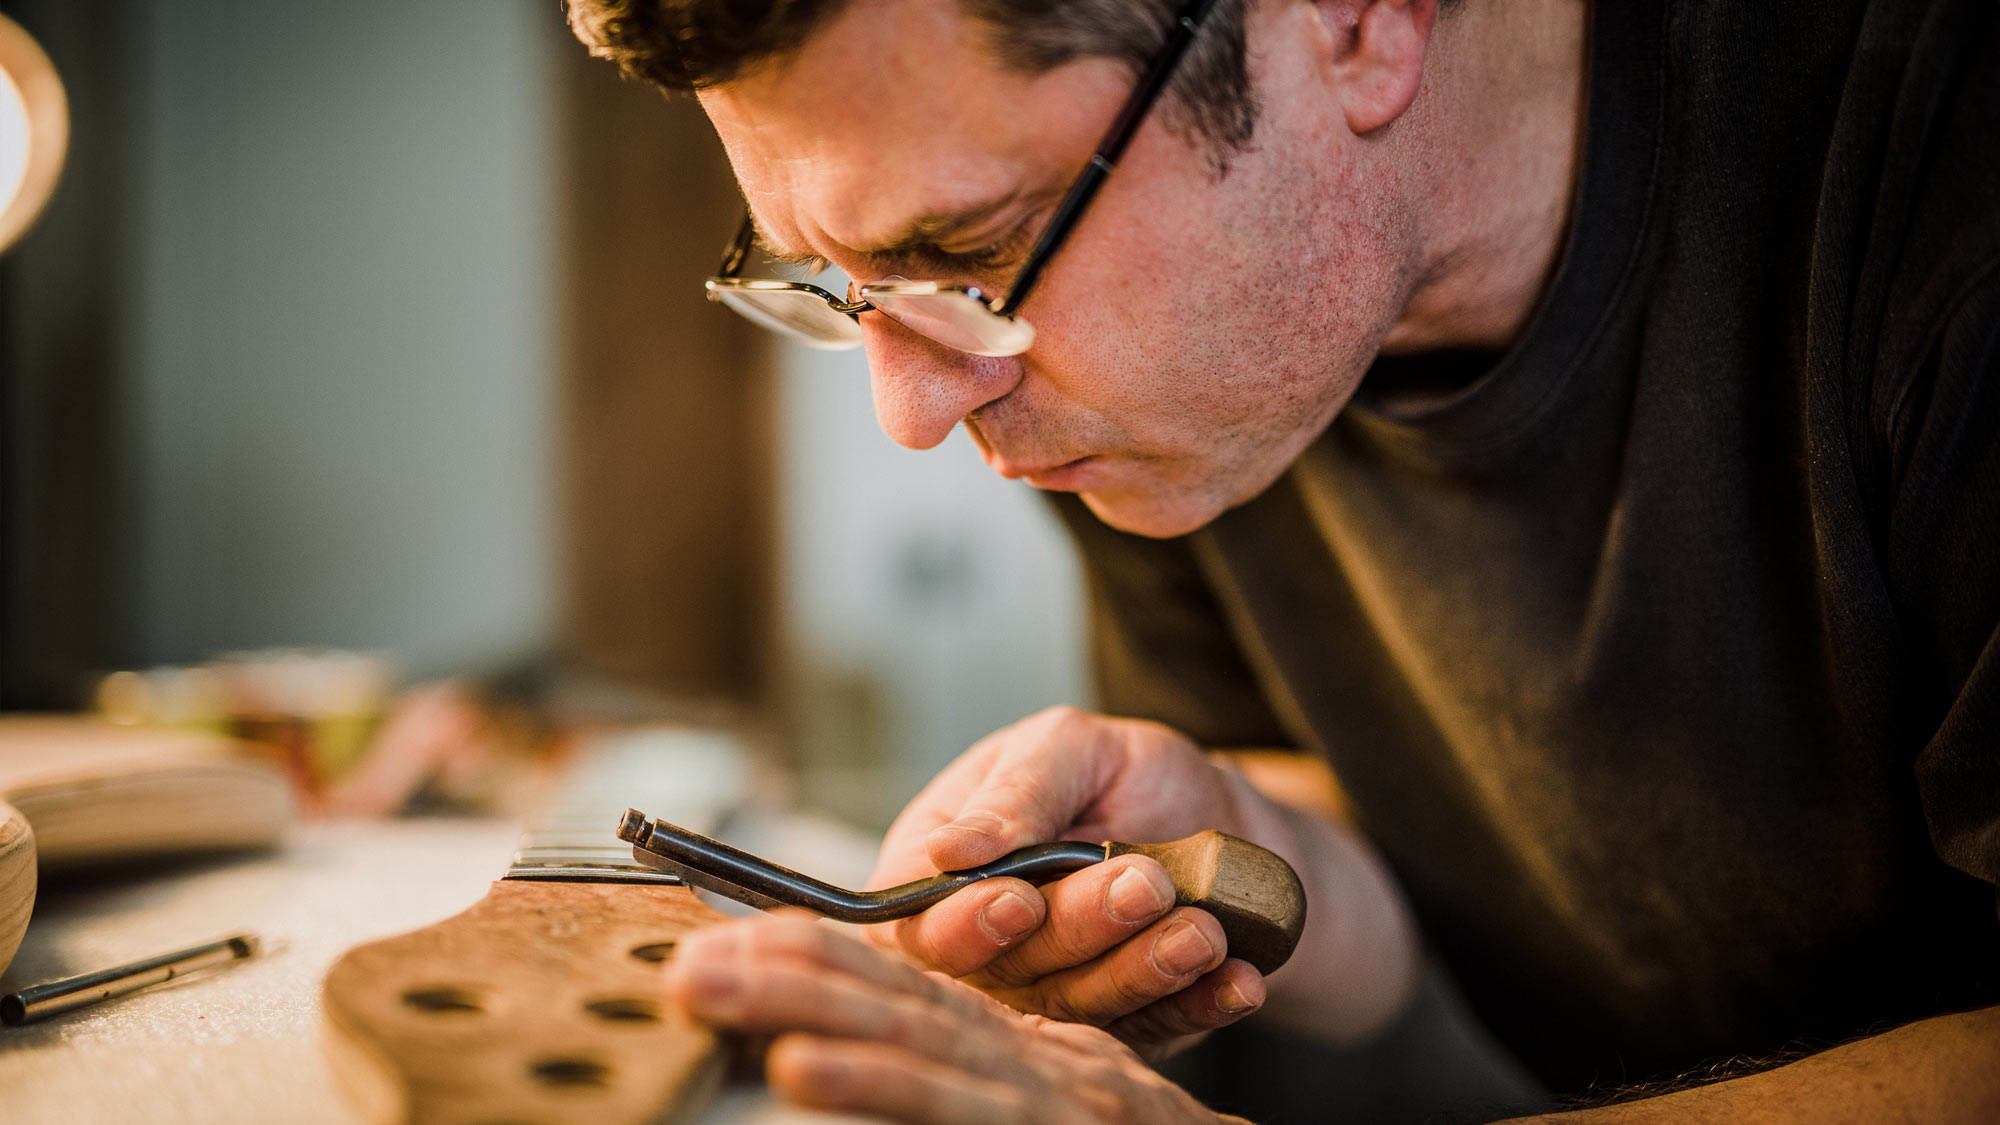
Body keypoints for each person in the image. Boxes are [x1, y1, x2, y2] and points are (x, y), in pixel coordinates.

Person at [566, 0, 2000, 1120]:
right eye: (843, 287)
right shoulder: (1141, 388)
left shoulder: (1939, 175)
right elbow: (1476, 881)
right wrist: (1253, 837)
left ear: (1361, 23)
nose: (914, 410)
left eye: (967, 257)